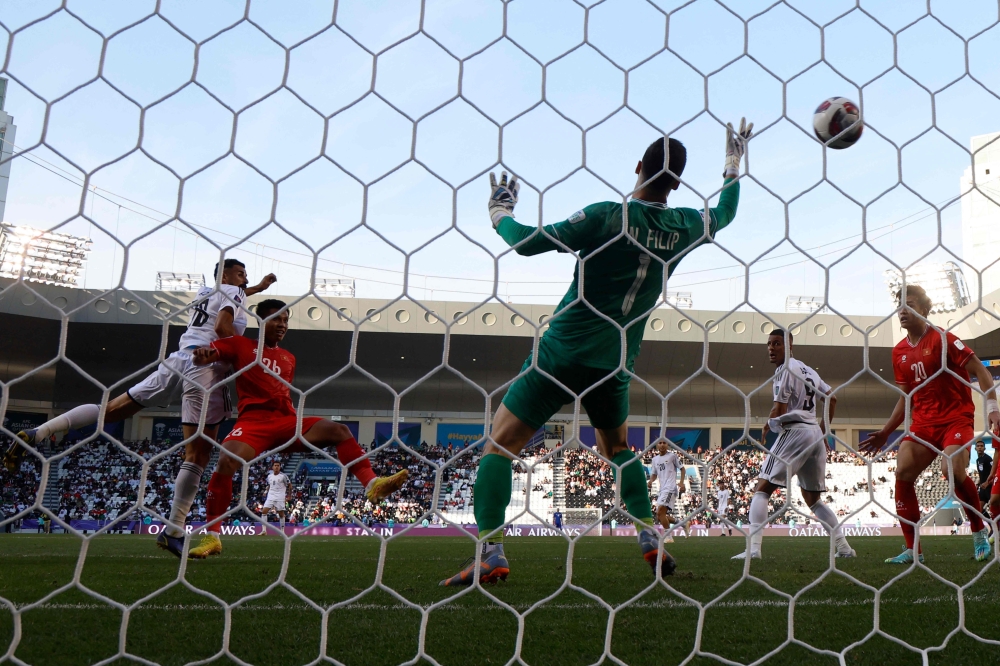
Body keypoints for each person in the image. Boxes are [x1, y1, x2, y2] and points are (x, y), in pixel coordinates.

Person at [439, 119, 753, 587]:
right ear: (678, 182)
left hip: (562, 352)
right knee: (620, 450)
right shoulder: (686, 224)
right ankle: (649, 537)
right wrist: (732, 166)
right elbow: (725, 213)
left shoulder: (609, 215)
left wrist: (499, 212)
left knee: (500, 446)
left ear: (639, 167)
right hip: (616, 362)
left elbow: (527, 243)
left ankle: (490, 550)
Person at [7, 260, 277, 544]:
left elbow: (237, 297)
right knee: (197, 455)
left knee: (109, 411)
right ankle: (174, 529)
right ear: (225, 275)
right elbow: (223, 327)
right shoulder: (232, 293)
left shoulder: (207, 292)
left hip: (176, 360)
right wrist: (245, 353)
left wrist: (260, 286)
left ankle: (40, 432)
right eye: (240, 273)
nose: (244, 279)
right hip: (205, 366)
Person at [166, 299, 408, 559]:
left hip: (287, 422)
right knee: (226, 462)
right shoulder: (241, 345)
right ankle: (212, 537)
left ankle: (372, 484)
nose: (282, 324)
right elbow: (209, 354)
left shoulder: (288, 357)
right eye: (276, 319)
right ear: (261, 322)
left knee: (340, 431)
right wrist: (202, 356)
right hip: (253, 423)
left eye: (285, 320)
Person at [861, 285, 999, 564]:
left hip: (955, 418)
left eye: (909, 304)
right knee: (902, 473)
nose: (902, 310)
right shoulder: (898, 351)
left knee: (951, 467)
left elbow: (980, 371)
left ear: (924, 309)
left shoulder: (943, 339)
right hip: (923, 424)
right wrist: (887, 432)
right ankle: (914, 551)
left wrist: (993, 409)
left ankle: (978, 532)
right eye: (899, 306)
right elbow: (906, 399)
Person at [733, 329, 855, 560]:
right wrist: (823, 430)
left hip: (796, 432)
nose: (771, 348)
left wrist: (769, 423)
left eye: (777, 343)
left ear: (790, 346)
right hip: (814, 436)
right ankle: (844, 547)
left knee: (761, 490)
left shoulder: (784, 369)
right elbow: (832, 397)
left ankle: (754, 550)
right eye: (769, 344)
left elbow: (779, 410)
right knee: (813, 500)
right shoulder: (808, 369)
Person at [647, 440, 687, 542]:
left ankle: (668, 536)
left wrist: (681, 482)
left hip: (670, 488)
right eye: (660, 443)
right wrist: (651, 481)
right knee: (659, 516)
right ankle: (683, 524)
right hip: (662, 489)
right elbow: (654, 474)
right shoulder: (655, 459)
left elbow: (682, 469)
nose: (662, 445)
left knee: (660, 512)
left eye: (664, 443)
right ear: (656, 445)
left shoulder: (672, 456)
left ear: (668, 445)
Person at [261, 461, 290, 531]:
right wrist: (265, 491)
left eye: (278, 465)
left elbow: (290, 485)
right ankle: (264, 530)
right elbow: (270, 485)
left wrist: (289, 495)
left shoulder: (283, 476)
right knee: (264, 512)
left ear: (280, 467)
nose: (276, 467)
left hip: (280, 496)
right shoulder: (269, 476)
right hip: (271, 496)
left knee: (281, 514)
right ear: (272, 467)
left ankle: (282, 530)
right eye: (275, 465)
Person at [974, 440, 992, 514]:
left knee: (993, 508)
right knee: (979, 510)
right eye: (978, 446)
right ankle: (991, 525)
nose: (980, 448)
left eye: (981, 446)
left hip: (989, 487)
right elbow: (981, 473)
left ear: (984, 448)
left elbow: (994, 472)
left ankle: (997, 524)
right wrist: (978, 483)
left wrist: (987, 483)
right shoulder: (978, 460)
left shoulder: (988, 459)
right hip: (982, 488)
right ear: (975, 448)